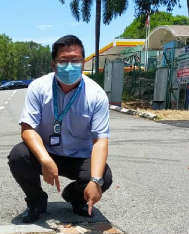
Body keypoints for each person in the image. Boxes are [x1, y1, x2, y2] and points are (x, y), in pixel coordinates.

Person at [8, 34, 113, 223]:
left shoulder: (96, 95)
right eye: (63, 61)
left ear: (83, 63)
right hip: (47, 152)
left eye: (76, 60)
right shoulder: (38, 87)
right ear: (53, 65)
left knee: (103, 175)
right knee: (18, 156)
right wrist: (45, 159)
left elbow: (100, 141)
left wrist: (95, 181)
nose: (70, 66)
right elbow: (27, 128)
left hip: (80, 156)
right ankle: (36, 201)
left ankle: (75, 196)